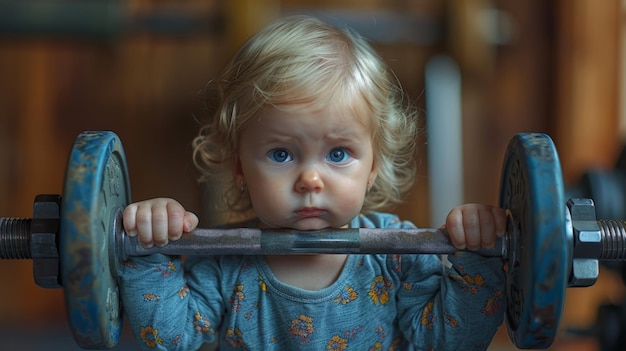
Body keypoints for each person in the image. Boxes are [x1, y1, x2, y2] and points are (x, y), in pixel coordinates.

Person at [120, 15, 507, 351]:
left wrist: (477, 257)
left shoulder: (399, 255)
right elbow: (169, 338)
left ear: (374, 165)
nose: (310, 179)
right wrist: (150, 248)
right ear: (238, 166)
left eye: (338, 154)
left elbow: (450, 341)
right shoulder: (225, 261)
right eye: (281, 154)